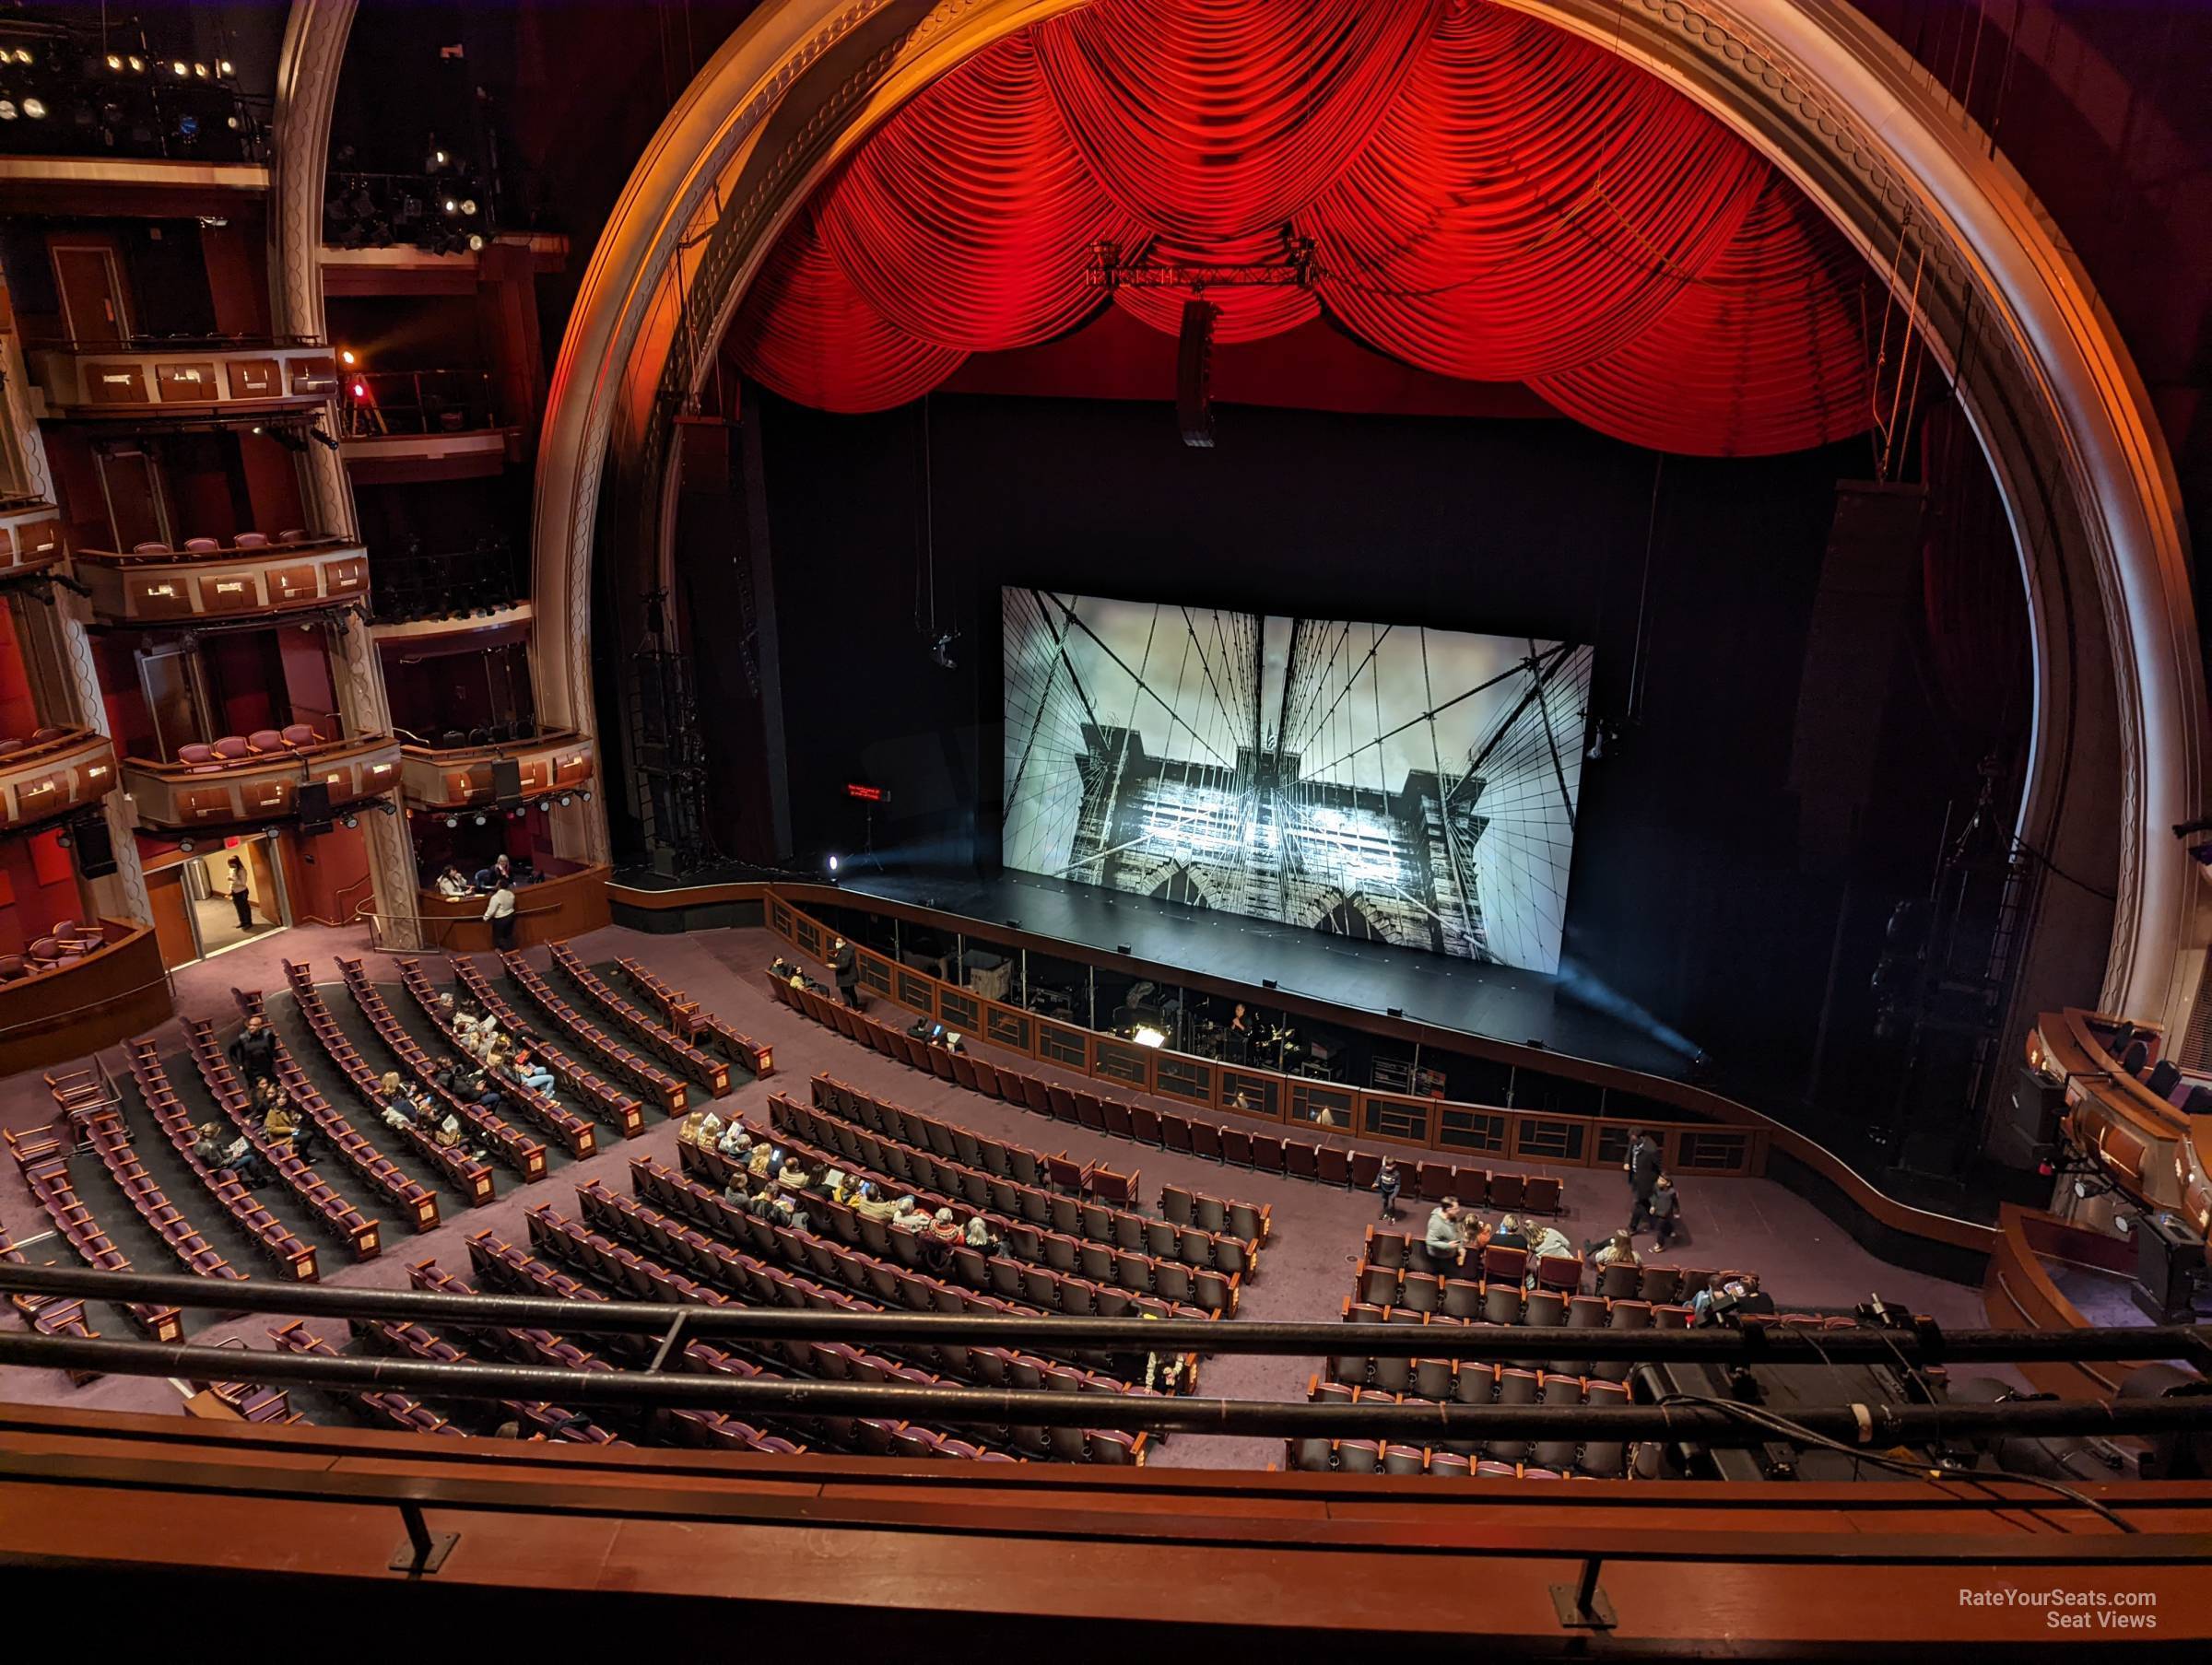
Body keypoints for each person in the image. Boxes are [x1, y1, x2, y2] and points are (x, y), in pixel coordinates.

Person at [1624, 1129, 1663, 1232]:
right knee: (1645, 1201)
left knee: (1639, 1202)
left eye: (1633, 1139)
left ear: (1641, 1138)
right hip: (1635, 1175)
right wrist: (1627, 1162)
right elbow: (1629, 1151)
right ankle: (1654, 1219)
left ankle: (1632, 1227)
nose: (1631, 1141)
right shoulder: (1634, 1141)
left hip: (1646, 1180)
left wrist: (1664, 1181)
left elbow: (1658, 1166)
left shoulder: (1651, 1149)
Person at [228, 1012, 279, 1089]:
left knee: (272, 1088)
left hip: (266, 1067)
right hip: (251, 1070)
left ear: (260, 1026)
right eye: (250, 1025)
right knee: (256, 1090)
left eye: (254, 1025)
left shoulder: (268, 1035)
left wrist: (272, 1057)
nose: (251, 1027)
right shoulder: (243, 1038)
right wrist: (238, 1065)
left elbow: (272, 1047)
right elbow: (231, 1051)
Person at [1424, 1197, 1468, 1268]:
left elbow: (1457, 1232)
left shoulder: (1452, 1217)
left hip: (1451, 1254)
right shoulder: (1437, 1224)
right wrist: (1447, 1246)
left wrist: (1460, 1247)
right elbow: (1430, 1241)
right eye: (1456, 1209)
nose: (1458, 1210)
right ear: (1448, 1210)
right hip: (1439, 1258)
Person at [1646, 1173, 1682, 1249]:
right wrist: (1653, 1205)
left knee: (1660, 1230)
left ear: (1668, 1183)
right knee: (1665, 1224)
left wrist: (1676, 1211)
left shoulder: (1672, 1192)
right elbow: (1653, 1196)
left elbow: (1675, 1202)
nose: (1659, 1181)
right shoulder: (1656, 1186)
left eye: (1662, 1180)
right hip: (1658, 1210)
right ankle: (1669, 1231)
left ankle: (1659, 1244)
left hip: (1666, 1212)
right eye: (1659, 1179)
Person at [483, 878, 518, 952]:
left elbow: (491, 910)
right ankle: (511, 951)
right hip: (510, 916)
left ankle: (505, 953)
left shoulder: (496, 897)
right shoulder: (511, 894)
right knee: (508, 935)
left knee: (499, 937)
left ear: (499, 886)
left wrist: (485, 918)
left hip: (500, 919)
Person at [830, 936, 860, 1008]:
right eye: (836, 942)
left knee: (849, 992)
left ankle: (852, 1008)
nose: (837, 944)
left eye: (839, 942)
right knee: (848, 992)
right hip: (845, 976)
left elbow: (844, 965)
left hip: (848, 976)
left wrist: (834, 966)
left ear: (844, 943)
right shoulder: (841, 951)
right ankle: (850, 1007)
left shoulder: (846, 952)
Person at [226, 856, 253, 932]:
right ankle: (243, 922)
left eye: (231, 864)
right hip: (235, 891)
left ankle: (248, 922)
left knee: (244, 908)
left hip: (242, 892)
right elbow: (233, 882)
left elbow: (243, 883)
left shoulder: (242, 871)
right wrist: (231, 891)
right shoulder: (232, 870)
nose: (229, 866)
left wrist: (233, 879)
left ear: (235, 863)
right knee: (239, 908)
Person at [1375, 1155, 1403, 1222]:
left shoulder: (1396, 1174)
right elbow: (1379, 1175)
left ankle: (1392, 1217)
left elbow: (1397, 1185)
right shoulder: (1382, 1169)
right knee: (1384, 1202)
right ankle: (1385, 1214)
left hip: (1392, 1191)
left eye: (1390, 1166)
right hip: (1384, 1189)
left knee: (1391, 1204)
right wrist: (1376, 1182)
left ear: (1394, 1165)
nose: (1388, 1168)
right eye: (1387, 1165)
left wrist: (1394, 1194)